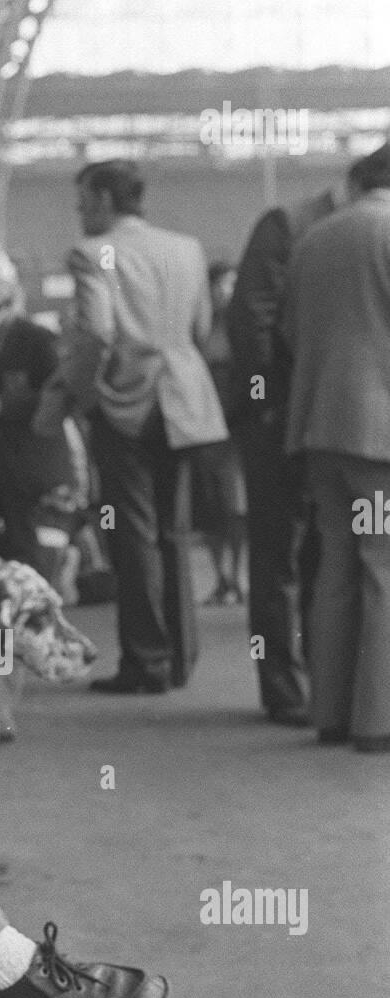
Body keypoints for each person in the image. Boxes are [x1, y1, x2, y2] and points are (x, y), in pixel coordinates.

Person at [57, 159, 229, 694]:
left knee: (131, 535)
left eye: (85, 199)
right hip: (184, 401)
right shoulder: (187, 249)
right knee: (174, 532)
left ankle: (146, 663)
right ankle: (180, 658)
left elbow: (97, 335)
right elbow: (201, 329)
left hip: (124, 402)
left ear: (106, 200)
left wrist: (81, 397)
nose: (80, 210)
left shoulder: (91, 255)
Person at [226, 165, 363, 726]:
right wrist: (268, 406)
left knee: (322, 554)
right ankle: (282, 688)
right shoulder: (287, 224)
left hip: (325, 418)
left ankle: (323, 681)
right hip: (279, 417)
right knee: (278, 553)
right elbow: (252, 320)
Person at [281, 141, 390, 752]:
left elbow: (292, 332)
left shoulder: (315, 238)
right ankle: (379, 722)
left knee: (337, 566)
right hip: (380, 435)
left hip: (321, 427)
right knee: (384, 567)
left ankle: (333, 714)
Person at [0, 254, 75, 580]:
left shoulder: (36, 340)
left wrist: (2, 406)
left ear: (4, 305)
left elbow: (57, 394)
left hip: (25, 462)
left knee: (28, 547)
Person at [196, 261, 247, 605]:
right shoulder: (199, 328)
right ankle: (221, 577)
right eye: (219, 285)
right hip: (206, 425)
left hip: (235, 424)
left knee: (235, 507)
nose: (223, 292)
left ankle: (236, 574)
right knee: (211, 507)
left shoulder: (241, 327)